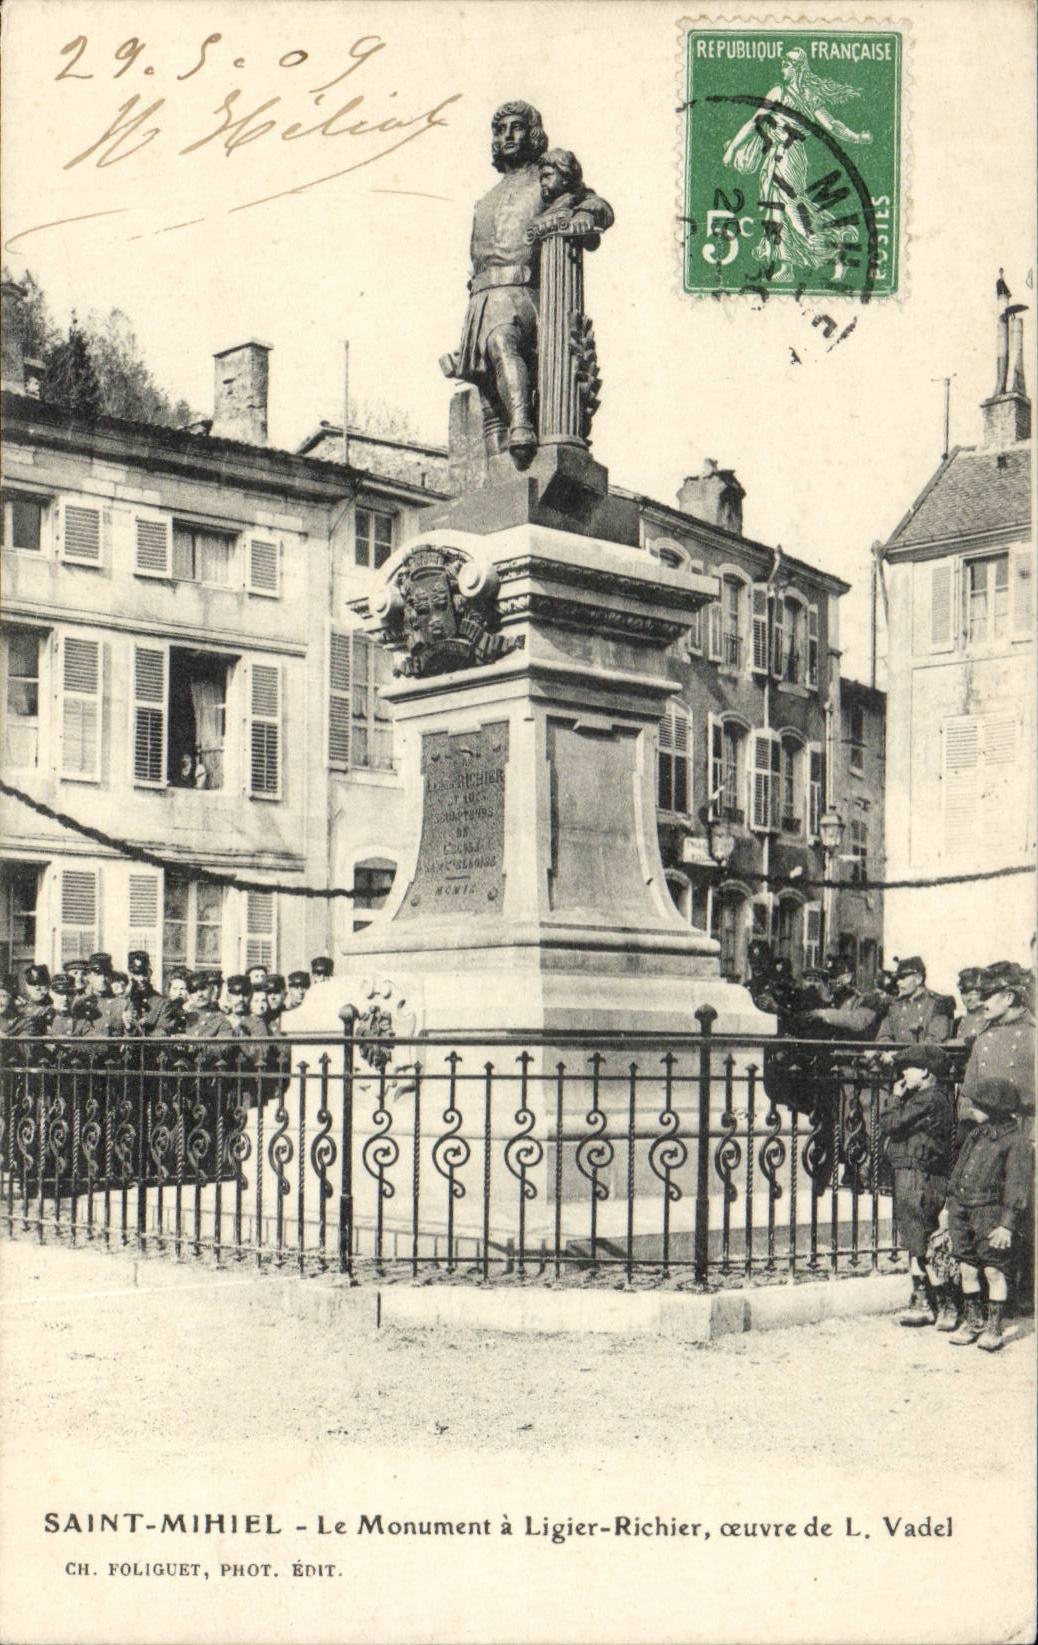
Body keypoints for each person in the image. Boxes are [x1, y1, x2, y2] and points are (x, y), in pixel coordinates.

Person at [722, 48, 872, 284]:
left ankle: (835, 250)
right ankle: (786, 266)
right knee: (775, 209)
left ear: (799, 68)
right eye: (782, 62)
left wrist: (857, 138)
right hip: (774, 155)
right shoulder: (777, 91)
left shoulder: (809, 96)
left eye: (788, 63)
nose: (783, 66)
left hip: (791, 156)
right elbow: (755, 122)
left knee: (793, 209)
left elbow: (832, 125)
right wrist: (732, 149)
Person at [946, 1078, 1030, 1351]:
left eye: (977, 1105)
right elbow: (959, 1171)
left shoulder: (1015, 1142)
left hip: (990, 1214)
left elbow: (1017, 1186)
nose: (971, 1109)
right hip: (962, 1209)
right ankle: (973, 1321)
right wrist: (950, 1207)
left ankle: (994, 1327)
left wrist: (1007, 1225)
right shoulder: (976, 1134)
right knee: (966, 1267)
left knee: (993, 1270)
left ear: (994, 1108)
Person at [878, 1048, 957, 1329]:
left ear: (925, 1071)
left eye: (908, 1067)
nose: (903, 1073)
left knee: (922, 1240)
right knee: (916, 1238)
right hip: (913, 1173)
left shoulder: (929, 1098)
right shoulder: (929, 1098)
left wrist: (895, 1098)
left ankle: (942, 1304)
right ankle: (924, 1300)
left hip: (918, 1176)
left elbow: (891, 1123)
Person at [875, 956, 954, 1048]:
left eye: (903, 978)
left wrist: (900, 1054)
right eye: (897, 979)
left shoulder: (938, 1004)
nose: (898, 983)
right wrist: (888, 1049)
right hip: (895, 1057)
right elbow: (883, 1037)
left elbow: (935, 1041)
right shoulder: (895, 1006)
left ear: (918, 979)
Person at [954, 967, 988, 1044]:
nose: (968, 998)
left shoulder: (990, 1021)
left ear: (983, 993)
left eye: (972, 993)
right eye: (964, 993)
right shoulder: (956, 1023)